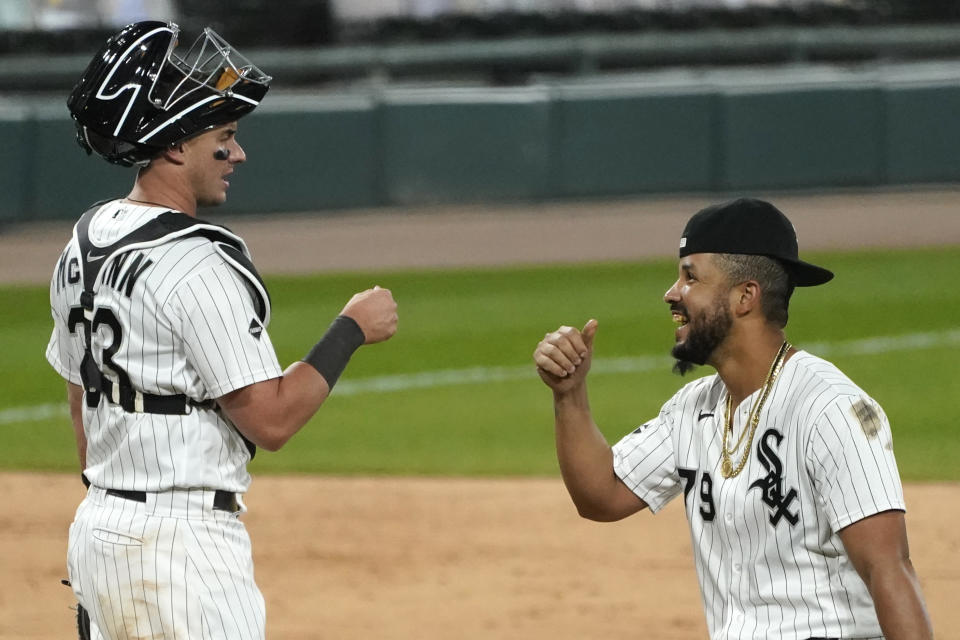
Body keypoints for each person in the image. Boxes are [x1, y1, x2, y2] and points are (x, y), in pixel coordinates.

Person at [45, 21, 398, 639]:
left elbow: (82, 400)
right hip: (181, 554)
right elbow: (271, 419)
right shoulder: (197, 262)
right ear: (175, 147)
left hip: (99, 531)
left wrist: (112, 520)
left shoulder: (83, 240)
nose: (238, 154)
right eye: (224, 137)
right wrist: (350, 329)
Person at [533, 198, 933, 640]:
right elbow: (600, 495)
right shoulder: (693, 409)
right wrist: (569, 395)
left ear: (746, 297)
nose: (672, 293)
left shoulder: (830, 408)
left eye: (690, 276)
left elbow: (889, 569)